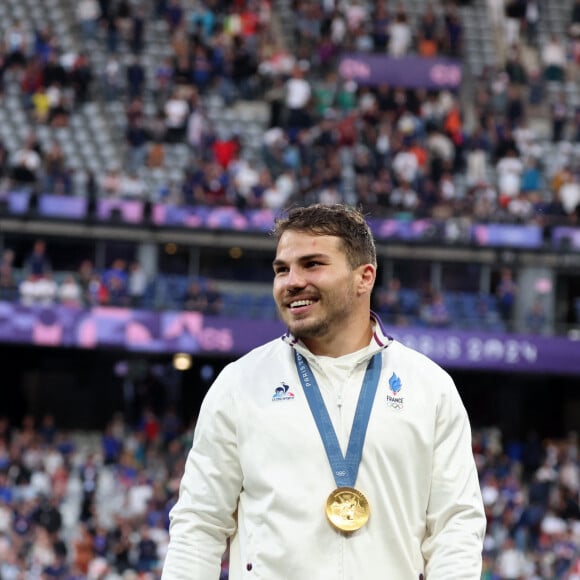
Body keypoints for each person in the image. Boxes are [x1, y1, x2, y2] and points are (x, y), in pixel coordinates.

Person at [162, 203, 486, 579]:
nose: (291, 281)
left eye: (312, 264)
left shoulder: (429, 388)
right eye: (282, 269)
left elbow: (455, 528)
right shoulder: (240, 383)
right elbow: (199, 523)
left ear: (364, 277)